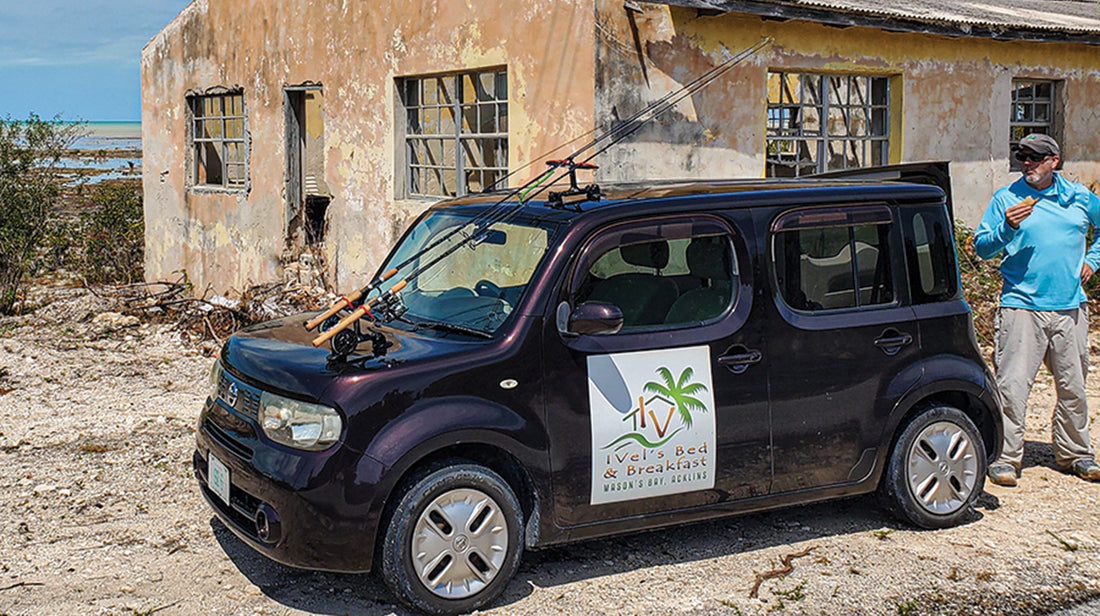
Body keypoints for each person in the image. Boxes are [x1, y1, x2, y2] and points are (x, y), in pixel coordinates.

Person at [973, 133, 1100, 486]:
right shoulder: (1007, 198)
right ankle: (1005, 457)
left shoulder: (1079, 197)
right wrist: (1008, 226)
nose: (1027, 163)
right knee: (1012, 387)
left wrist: (1093, 259)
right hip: (1021, 306)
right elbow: (982, 247)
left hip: (1070, 307)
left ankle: (1076, 453)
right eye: (1022, 156)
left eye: (1035, 157)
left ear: (1054, 161)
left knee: (1073, 386)